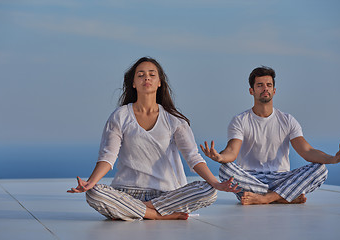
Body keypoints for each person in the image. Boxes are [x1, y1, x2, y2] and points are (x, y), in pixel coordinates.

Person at [68, 57, 240, 220]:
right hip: (127, 192)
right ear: (133, 84)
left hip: (166, 194)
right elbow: (108, 156)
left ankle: (136, 210)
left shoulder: (174, 120)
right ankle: (156, 215)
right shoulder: (120, 116)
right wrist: (90, 182)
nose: (146, 78)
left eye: (152, 74)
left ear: (159, 82)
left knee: (209, 190)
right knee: (94, 193)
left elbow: (193, 157)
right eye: (140, 75)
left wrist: (216, 184)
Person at [201, 66, 340, 205]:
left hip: (280, 178)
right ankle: (283, 196)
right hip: (250, 178)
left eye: (269, 85)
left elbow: (307, 151)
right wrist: (219, 157)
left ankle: (266, 198)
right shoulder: (240, 120)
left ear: (274, 90)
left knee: (321, 169)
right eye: (260, 85)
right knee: (224, 170)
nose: (265, 88)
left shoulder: (287, 120)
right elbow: (232, 151)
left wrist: (332, 159)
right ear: (251, 91)